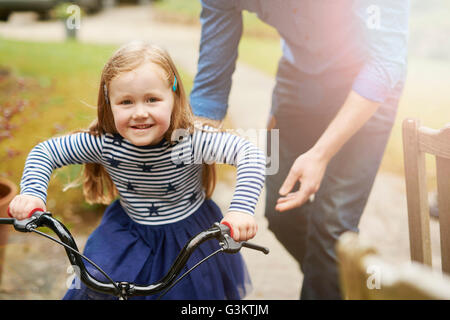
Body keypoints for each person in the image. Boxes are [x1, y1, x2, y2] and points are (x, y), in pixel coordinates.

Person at [7, 41, 266, 300]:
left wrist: (241, 210)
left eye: (152, 99)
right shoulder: (105, 143)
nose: (140, 113)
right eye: (126, 102)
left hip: (189, 235)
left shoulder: (189, 140)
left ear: (174, 96)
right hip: (126, 233)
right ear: (110, 103)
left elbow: (250, 154)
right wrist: (32, 194)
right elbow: (45, 152)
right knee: (96, 287)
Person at [190, 1, 409, 299]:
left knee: (332, 225)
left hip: (370, 83)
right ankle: (349, 284)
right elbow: (210, 89)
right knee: (281, 214)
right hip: (298, 77)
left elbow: (386, 64)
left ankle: (334, 283)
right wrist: (185, 153)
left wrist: (320, 153)